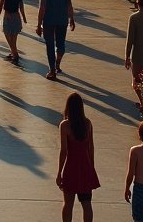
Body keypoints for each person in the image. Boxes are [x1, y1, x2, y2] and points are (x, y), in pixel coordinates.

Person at [56, 92, 100, 222]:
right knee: (87, 204)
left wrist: (59, 172)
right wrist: (91, 167)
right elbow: (91, 148)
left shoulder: (65, 125)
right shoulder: (88, 124)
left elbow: (64, 151)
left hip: (71, 167)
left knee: (68, 204)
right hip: (85, 166)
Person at [37, 0, 76, 80]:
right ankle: (58, 63)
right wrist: (71, 19)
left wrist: (39, 24)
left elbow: (42, 8)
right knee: (61, 44)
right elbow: (69, 5)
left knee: (49, 45)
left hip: (49, 21)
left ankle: (52, 70)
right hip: (62, 20)